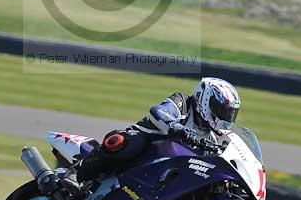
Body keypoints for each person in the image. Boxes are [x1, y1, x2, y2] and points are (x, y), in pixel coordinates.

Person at [77, 77, 241, 183]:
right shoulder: (183, 102)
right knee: (126, 143)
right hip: (148, 143)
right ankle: (77, 172)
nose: (224, 116)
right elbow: (160, 111)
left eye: (229, 113)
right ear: (204, 100)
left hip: (169, 170)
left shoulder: (215, 136)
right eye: (220, 110)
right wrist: (177, 128)